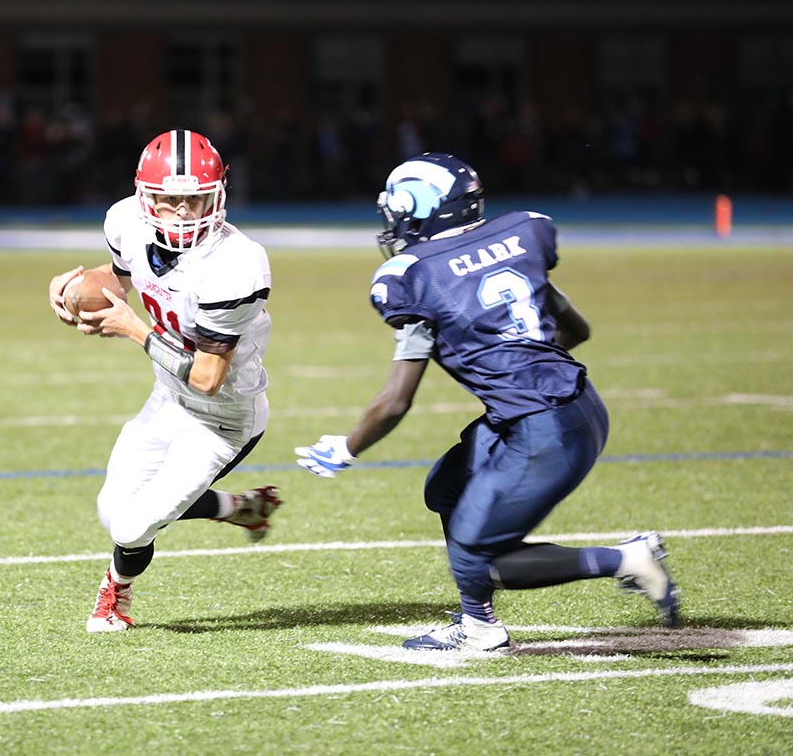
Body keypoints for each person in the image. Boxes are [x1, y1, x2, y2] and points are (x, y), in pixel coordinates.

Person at [294, 152, 679, 652]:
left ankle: (625, 560)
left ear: (417, 210)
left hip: (544, 428)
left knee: (479, 559)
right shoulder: (521, 236)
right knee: (446, 488)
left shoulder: (414, 276)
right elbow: (576, 330)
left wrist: (345, 448)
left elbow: (395, 401)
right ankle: (475, 619)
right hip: (572, 405)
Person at [47, 129, 281, 633]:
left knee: (133, 527)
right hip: (167, 397)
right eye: (166, 199)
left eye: (193, 200)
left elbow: (207, 377)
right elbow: (120, 280)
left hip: (223, 418)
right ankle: (241, 508)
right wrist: (73, 292)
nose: (179, 212)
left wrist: (134, 328)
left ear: (216, 199)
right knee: (113, 512)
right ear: (143, 196)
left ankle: (115, 596)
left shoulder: (236, 264)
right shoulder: (125, 221)